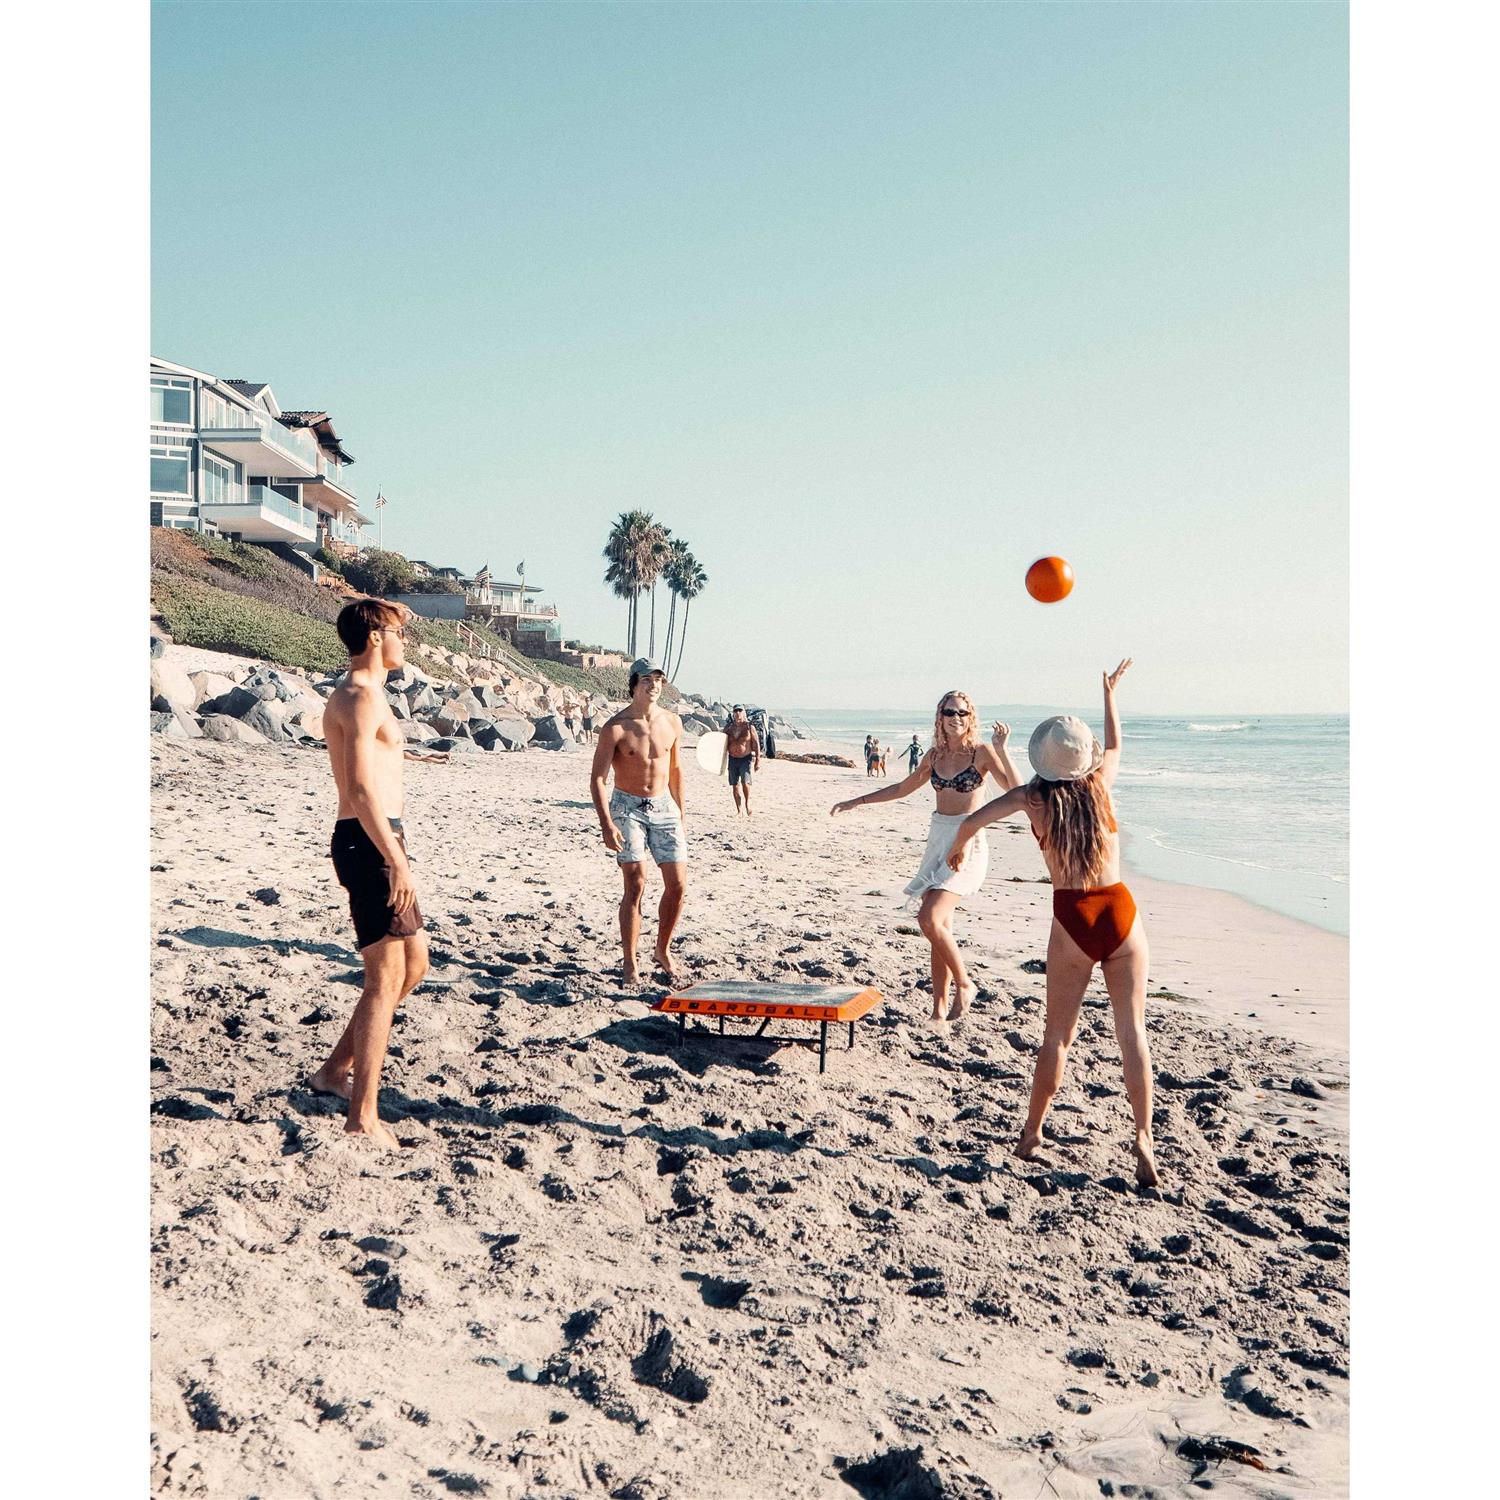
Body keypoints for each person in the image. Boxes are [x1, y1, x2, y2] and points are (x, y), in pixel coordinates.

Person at [944, 660, 1157, 1187]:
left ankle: (1032, 1134)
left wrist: (958, 849)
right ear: (1082, 759)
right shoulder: (1101, 783)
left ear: (1042, 758)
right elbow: (1115, 745)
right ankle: (1143, 1138)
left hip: (1072, 917)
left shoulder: (1031, 798)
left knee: (1057, 1036)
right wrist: (1109, 694)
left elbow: (972, 819)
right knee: (1132, 1032)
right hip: (1120, 912)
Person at [308, 599, 431, 1149]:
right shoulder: (357, 696)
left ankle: (334, 1070)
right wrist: (397, 860)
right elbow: (359, 788)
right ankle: (362, 1116)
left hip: (383, 836)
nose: (406, 642)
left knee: (414, 965)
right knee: (384, 980)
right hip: (369, 840)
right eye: (400, 632)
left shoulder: (371, 694)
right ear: (377, 637)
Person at [831, 692, 1020, 1022]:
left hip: (968, 841)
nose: (956, 718)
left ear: (970, 718)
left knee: (929, 918)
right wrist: (857, 801)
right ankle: (938, 1010)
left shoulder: (981, 752)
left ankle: (965, 984)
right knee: (939, 928)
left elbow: (1017, 792)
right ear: (940, 717)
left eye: (962, 713)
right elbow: (902, 789)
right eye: (949, 712)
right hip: (938, 839)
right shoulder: (935, 755)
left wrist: (1002, 749)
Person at [590, 658, 688, 985]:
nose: (654, 686)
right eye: (647, 680)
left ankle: (662, 950)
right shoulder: (615, 727)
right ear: (633, 684)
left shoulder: (672, 722)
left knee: (678, 885)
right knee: (636, 883)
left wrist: (681, 813)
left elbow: (675, 770)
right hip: (627, 806)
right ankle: (630, 962)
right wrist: (606, 823)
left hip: (664, 806)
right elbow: (598, 779)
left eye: (658, 680)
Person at [725, 704, 762, 816]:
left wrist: (758, 760)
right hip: (732, 758)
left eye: (740, 711)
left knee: (745, 782)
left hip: (745, 758)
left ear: (743, 713)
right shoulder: (729, 728)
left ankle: (747, 804)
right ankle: (739, 810)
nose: (737, 713)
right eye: (735, 711)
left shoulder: (749, 727)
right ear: (733, 713)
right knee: (735, 785)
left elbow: (756, 744)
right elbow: (722, 743)